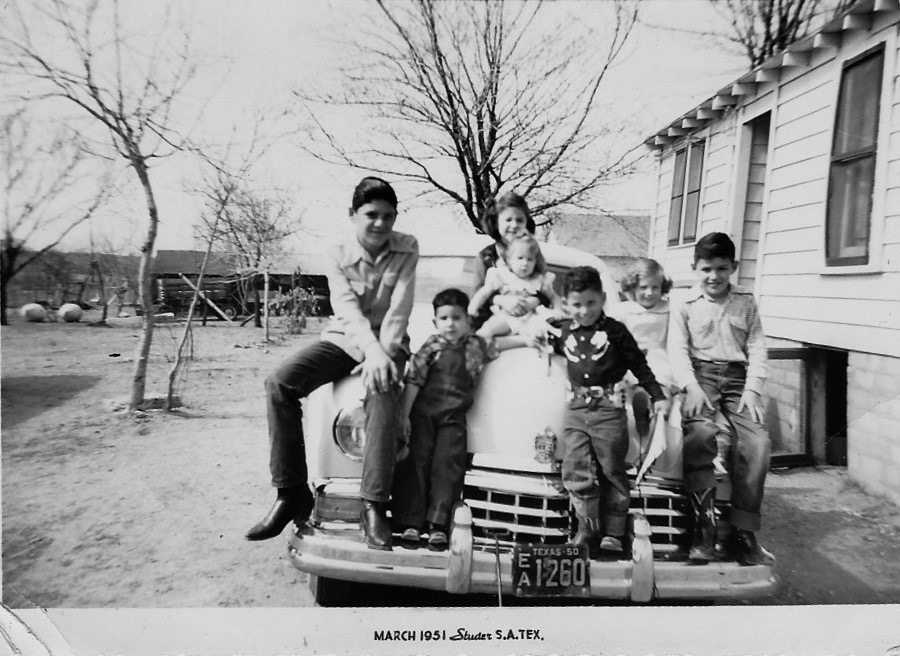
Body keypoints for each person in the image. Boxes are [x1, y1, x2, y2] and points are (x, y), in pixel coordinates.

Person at [245, 176, 418, 552]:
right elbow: (347, 309)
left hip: (390, 343)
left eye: (389, 216)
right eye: (371, 214)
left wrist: (381, 355)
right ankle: (291, 493)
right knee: (279, 384)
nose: (380, 224)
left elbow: (399, 310)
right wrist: (369, 351)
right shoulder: (336, 252)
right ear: (353, 214)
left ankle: (374, 504)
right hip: (345, 339)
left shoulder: (407, 248)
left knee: (383, 391)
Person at [546, 266, 669, 554]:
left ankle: (613, 532)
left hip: (609, 408)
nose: (585, 311)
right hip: (576, 408)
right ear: (566, 304)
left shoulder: (616, 331)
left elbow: (640, 365)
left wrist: (657, 394)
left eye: (591, 303)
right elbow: (540, 332)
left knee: (612, 467)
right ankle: (587, 527)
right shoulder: (563, 330)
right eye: (576, 304)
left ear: (602, 298)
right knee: (576, 466)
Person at [668, 231, 773, 566]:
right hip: (700, 377)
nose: (714, 276)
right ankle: (704, 527)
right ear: (695, 269)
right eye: (706, 268)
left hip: (738, 381)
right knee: (700, 435)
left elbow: (757, 347)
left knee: (757, 443)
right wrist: (690, 386)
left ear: (734, 267)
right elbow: (677, 349)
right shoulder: (684, 304)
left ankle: (743, 531)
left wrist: (753, 389)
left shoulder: (746, 301)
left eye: (722, 268)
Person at [390, 288, 499, 550]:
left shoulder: (476, 346)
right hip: (423, 415)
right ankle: (411, 523)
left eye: (457, 318)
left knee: (447, 467)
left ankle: (438, 524)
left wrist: (529, 339)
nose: (451, 324)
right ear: (435, 322)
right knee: (417, 462)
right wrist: (404, 416)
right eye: (444, 318)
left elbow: (499, 345)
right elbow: (414, 380)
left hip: (453, 419)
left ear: (469, 321)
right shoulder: (431, 347)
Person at [612, 258, 677, 440]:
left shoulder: (669, 310)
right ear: (633, 287)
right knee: (627, 387)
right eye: (643, 287)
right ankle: (642, 410)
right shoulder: (623, 310)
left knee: (663, 390)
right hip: (630, 359)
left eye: (655, 287)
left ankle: (657, 418)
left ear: (662, 288)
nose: (649, 293)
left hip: (659, 357)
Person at [472, 192, 550, 331]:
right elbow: (477, 298)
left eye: (520, 220)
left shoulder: (533, 253)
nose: (514, 225)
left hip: (529, 323)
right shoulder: (486, 257)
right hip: (494, 326)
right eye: (508, 220)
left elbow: (546, 289)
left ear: (526, 223)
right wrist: (501, 300)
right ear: (497, 222)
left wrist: (533, 301)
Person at [468, 234, 560, 343]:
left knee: (546, 335)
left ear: (535, 262)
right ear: (509, 260)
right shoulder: (501, 275)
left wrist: (558, 310)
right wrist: (472, 310)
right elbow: (484, 292)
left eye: (530, 259)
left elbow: (553, 297)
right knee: (485, 332)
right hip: (506, 317)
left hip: (531, 319)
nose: (525, 263)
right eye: (520, 258)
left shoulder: (539, 279)